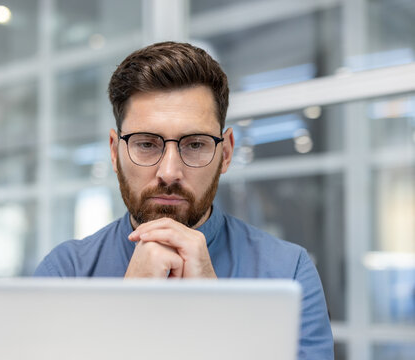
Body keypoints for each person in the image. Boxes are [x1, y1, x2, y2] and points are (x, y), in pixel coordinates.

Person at [35, 41, 333, 359]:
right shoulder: (64, 273)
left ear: (226, 152)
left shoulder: (288, 272)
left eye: (194, 145)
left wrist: (212, 314)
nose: (169, 172)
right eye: (147, 144)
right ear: (114, 151)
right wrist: (125, 311)